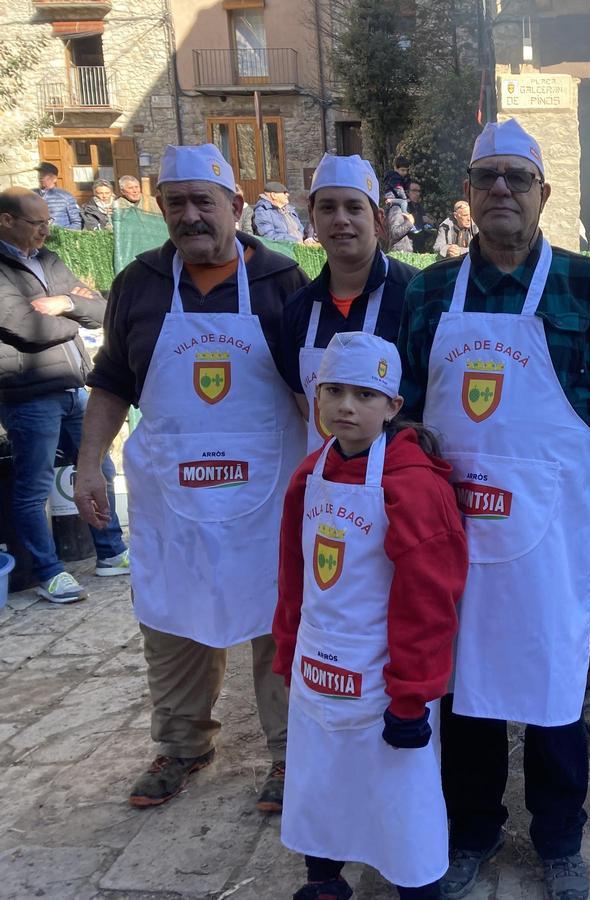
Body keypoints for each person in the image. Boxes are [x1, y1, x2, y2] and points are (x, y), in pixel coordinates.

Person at [398, 117, 590, 900]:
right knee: (462, 687)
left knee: (552, 689)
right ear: (469, 194)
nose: (501, 189)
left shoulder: (589, 286)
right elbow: (405, 416)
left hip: (553, 535)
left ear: (544, 193)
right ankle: (473, 831)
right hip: (452, 534)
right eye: (487, 177)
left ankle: (560, 840)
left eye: (517, 177)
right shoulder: (430, 291)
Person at [73, 144, 308, 812]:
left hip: (266, 491)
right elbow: (112, 381)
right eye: (174, 202)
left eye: (203, 201)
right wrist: (90, 464)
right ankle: (182, 744)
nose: (189, 215)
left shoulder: (281, 280)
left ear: (236, 206)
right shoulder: (140, 282)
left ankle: (291, 754)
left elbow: (307, 390)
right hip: (172, 492)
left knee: (280, 616)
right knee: (172, 615)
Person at [274, 331, 467, 900]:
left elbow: (429, 600)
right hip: (316, 668)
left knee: (399, 796)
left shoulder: (415, 487)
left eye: (364, 394)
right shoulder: (309, 475)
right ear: (316, 395)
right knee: (319, 782)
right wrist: (288, 653)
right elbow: (292, 575)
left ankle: (418, 890)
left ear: (392, 405)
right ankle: (324, 880)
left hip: (386, 680)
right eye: (333, 390)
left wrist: (412, 695)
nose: (346, 406)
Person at [0, 187, 130, 603]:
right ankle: (49, 572)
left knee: (98, 470)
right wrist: (74, 313)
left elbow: (103, 310)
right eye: (37, 223)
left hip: (75, 387)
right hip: (29, 393)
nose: (45, 230)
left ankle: (111, 552)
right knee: (33, 487)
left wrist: (63, 302)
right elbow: (26, 326)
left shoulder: (49, 261)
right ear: (6, 220)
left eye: (48, 222)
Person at [277, 153, 420, 453]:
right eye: (328, 207)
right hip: (324, 477)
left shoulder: (415, 295)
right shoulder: (299, 308)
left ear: (378, 220)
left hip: (399, 475)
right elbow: (305, 404)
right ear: (313, 217)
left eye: (354, 207)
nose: (341, 219)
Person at [35, 163, 82, 231]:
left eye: (44, 174)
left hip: (60, 235)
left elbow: (77, 223)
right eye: (40, 174)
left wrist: (62, 233)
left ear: (54, 179)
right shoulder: (31, 195)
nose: (40, 177)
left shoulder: (66, 196)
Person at [385, 185, 416, 253]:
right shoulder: (396, 209)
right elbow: (395, 233)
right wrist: (409, 222)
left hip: (404, 252)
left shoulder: (404, 207)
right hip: (399, 251)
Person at [406, 181, 435, 253]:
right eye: (414, 190)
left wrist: (430, 222)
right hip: (407, 241)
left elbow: (426, 220)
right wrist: (422, 219)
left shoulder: (419, 206)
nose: (417, 194)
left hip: (420, 239)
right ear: (408, 192)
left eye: (419, 191)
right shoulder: (404, 205)